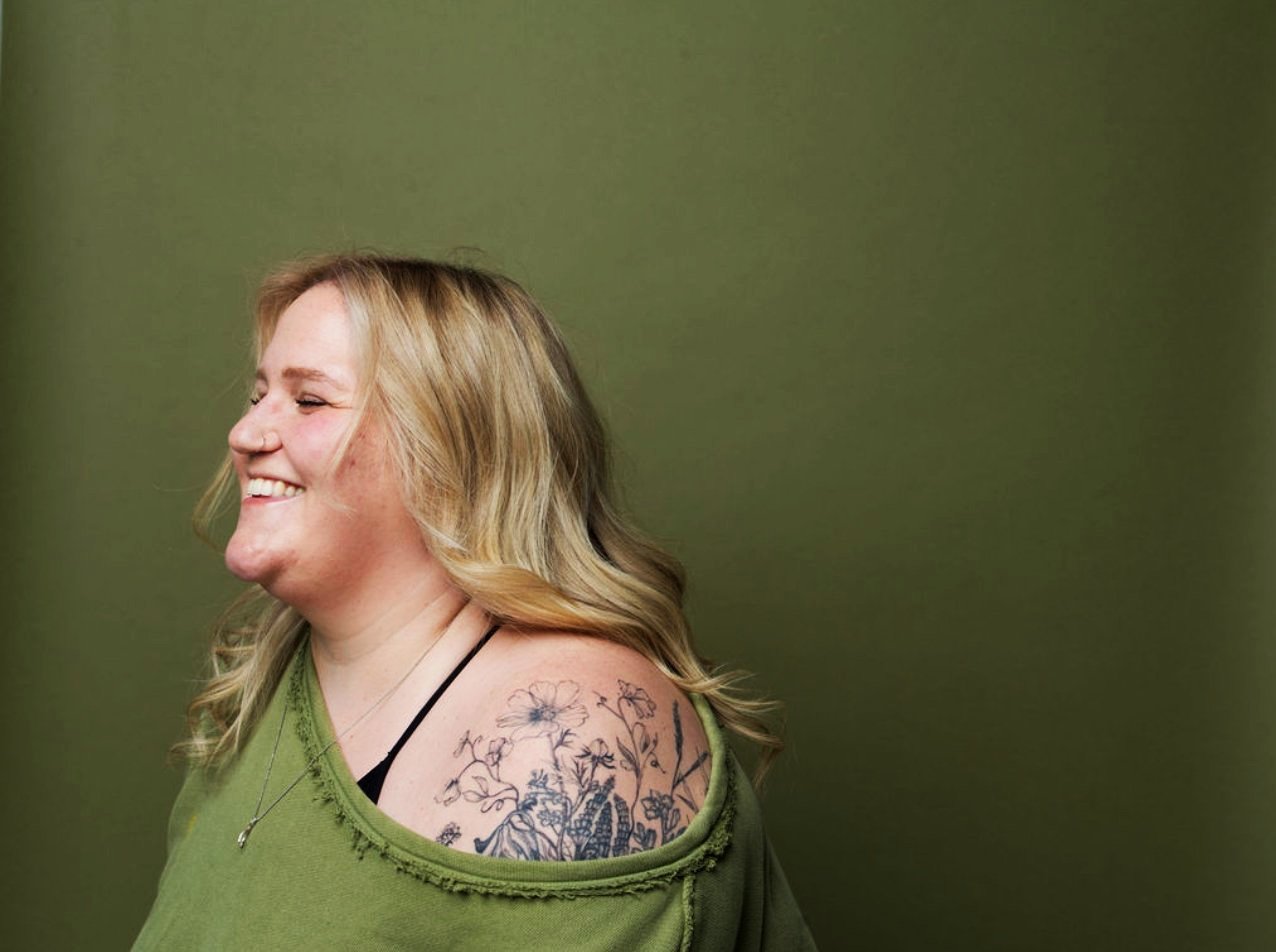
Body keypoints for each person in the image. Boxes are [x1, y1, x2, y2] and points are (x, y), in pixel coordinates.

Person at [132, 253, 816, 950]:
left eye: (309, 400)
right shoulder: (261, 685)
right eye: (258, 397)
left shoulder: (572, 732)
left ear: (452, 447)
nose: (244, 436)